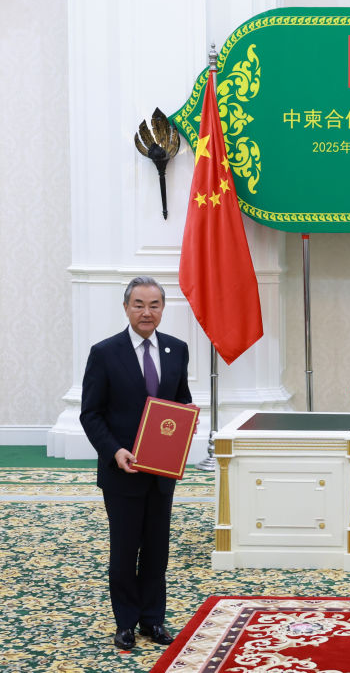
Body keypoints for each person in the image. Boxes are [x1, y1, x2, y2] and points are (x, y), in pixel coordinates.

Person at [80, 276, 192, 650]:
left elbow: (180, 401)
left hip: (162, 472)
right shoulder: (104, 353)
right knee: (125, 551)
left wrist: (187, 421)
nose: (147, 312)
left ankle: (153, 621)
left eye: (154, 305)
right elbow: (91, 414)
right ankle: (126, 622)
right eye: (139, 305)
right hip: (122, 471)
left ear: (163, 308)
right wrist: (114, 451)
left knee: (157, 550)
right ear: (126, 307)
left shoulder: (177, 349)